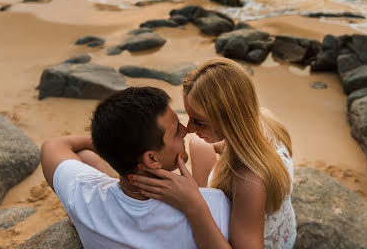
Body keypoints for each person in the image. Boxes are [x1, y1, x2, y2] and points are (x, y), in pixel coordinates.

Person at [129, 58, 296, 249]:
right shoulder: (263, 120)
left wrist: (193, 204)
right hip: (277, 226)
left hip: (260, 240)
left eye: (199, 122)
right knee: (199, 144)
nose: (189, 128)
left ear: (230, 121)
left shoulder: (249, 180)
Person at [40, 86, 231, 249]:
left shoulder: (83, 196)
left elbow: (52, 146)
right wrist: (196, 204)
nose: (185, 130)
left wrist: (117, 147)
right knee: (202, 148)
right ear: (152, 159)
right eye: (175, 131)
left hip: (105, 211)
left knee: (85, 155)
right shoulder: (213, 206)